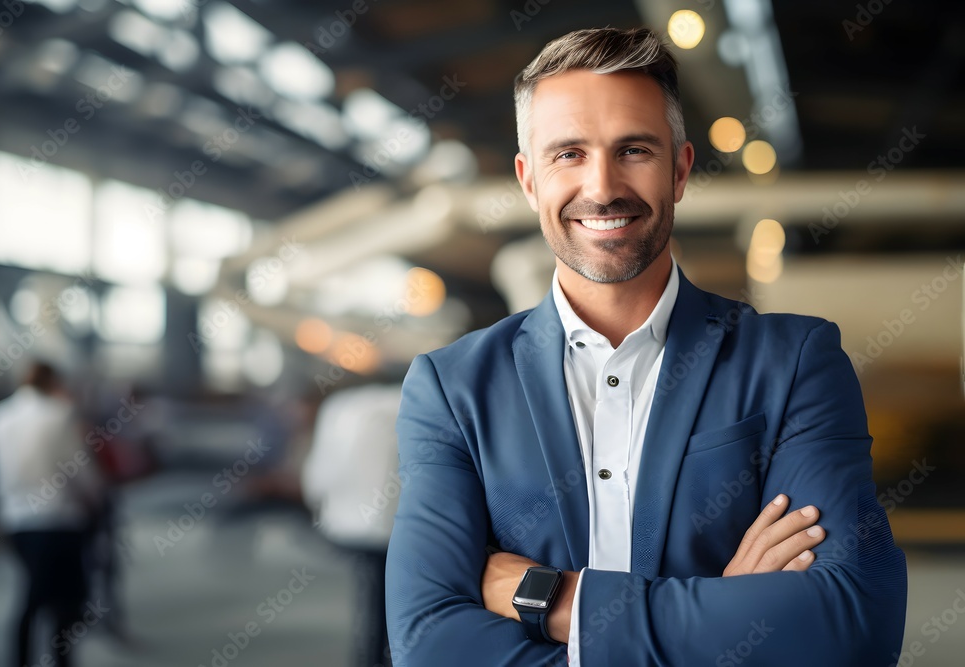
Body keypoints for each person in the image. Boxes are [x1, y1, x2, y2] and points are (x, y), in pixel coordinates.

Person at [385, 27, 906, 666]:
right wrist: (721, 611)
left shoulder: (794, 361)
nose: (602, 187)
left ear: (680, 169)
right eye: (568, 154)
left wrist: (553, 600)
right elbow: (428, 644)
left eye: (633, 149)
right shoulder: (452, 388)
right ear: (528, 181)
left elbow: (849, 622)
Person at [0, 361, 102, 667]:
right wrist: (97, 498)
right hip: (59, 519)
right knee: (62, 599)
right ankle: (61, 659)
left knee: (33, 593)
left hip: (18, 520)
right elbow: (79, 469)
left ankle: (21, 659)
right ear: (54, 382)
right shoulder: (60, 415)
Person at [302, 383, 403, 667]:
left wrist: (317, 504)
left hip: (348, 526)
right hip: (395, 528)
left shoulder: (339, 408)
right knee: (390, 602)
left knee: (371, 601)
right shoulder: (405, 402)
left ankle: (369, 657)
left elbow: (320, 474)